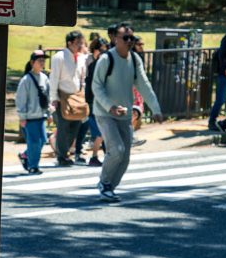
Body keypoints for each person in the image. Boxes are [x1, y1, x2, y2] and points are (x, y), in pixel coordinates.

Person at [92, 23, 164, 202]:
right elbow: (96, 86)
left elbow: (144, 85)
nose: (130, 41)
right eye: (126, 38)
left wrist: (155, 109)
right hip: (105, 113)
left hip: (124, 115)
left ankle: (109, 187)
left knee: (125, 158)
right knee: (117, 148)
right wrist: (110, 106)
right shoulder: (106, 59)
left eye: (132, 38)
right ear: (115, 39)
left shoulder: (134, 59)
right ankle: (104, 183)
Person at [49, 29, 87, 167]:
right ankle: (61, 155)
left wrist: (83, 94)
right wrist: (54, 98)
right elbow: (53, 79)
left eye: (81, 43)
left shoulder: (82, 58)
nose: (80, 46)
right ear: (69, 43)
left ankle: (64, 152)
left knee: (75, 126)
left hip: (77, 96)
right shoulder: (59, 57)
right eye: (77, 43)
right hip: (62, 95)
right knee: (64, 127)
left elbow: (82, 78)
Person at [15, 50, 51, 175]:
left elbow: (47, 97)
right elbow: (20, 100)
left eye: (43, 61)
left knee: (43, 140)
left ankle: (26, 155)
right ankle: (33, 166)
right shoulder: (26, 80)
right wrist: (22, 116)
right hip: (30, 117)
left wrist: (49, 113)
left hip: (41, 115)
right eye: (39, 60)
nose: (42, 63)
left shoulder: (45, 78)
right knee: (34, 141)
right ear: (32, 62)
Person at [75, 37, 105, 167]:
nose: (104, 53)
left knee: (99, 131)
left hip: (96, 101)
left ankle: (99, 154)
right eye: (101, 50)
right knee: (96, 131)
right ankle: (89, 155)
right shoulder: (92, 63)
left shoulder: (100, 63)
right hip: (92, 101)